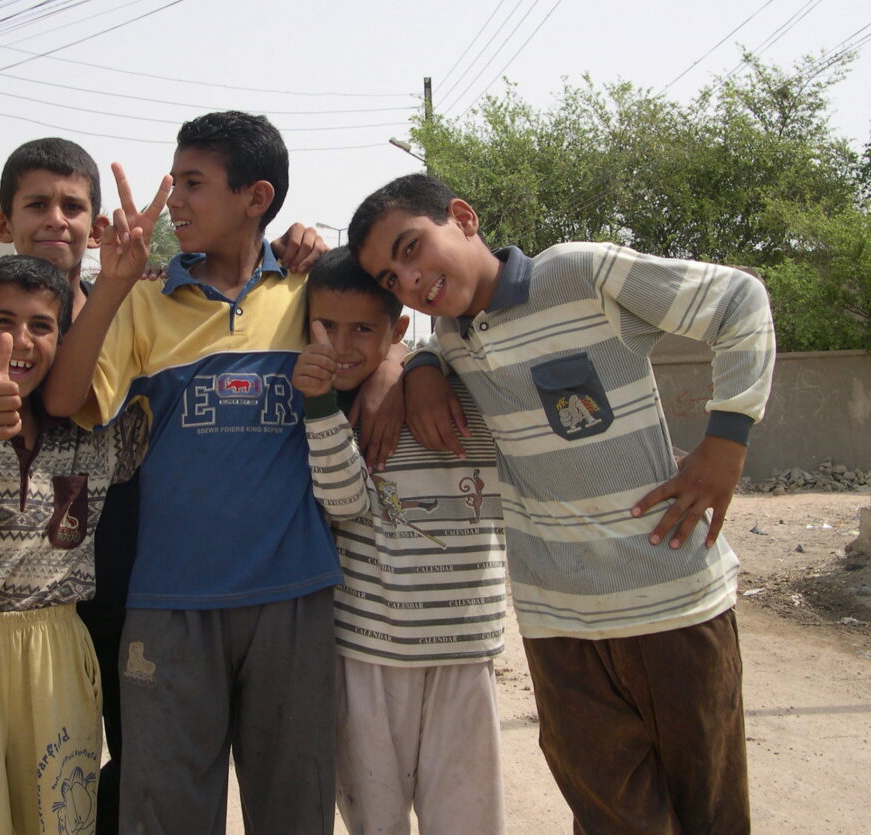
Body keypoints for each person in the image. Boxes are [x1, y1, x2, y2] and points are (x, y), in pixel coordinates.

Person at [0, 138, 328, 833]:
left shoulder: (139, 303)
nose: (56, 220)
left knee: (115, 776)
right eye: (37, 204)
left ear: (97, 225)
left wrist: (296, 242)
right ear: (2, 223)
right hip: (17, 618)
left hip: (136, 594)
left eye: (72, 205)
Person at [347, 172, 777, 834]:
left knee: (710, 814)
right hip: (559, 629)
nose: (407, 279)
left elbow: (739, 299)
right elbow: (409, 342)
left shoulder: (580, 273)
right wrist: (419, 367)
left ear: (462, 217)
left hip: (674, 603)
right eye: (388, 278)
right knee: (611, 818)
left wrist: (727, 439)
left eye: (410, 248)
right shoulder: (455, 341)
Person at [43, 111, 399, 835]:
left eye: (192, 183)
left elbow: (378, 332)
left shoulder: (307, 294)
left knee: (294, 811)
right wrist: (110, 285)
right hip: (170, 604)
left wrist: (397, 370)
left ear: (255, 196)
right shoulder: (145, 303)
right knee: (165, 814)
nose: (173, 199)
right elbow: (63, 398)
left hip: (294, 600)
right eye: (173, 182)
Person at [0, 254, 148, 834]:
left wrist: (138, 288)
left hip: (58, 649)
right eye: (3, 322)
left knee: (61, 817)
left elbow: (157, 390)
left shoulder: (94, 436)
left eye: (41, 326)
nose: (21, 340)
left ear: (64, 340)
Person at [291, 247, 508, 835]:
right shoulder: (332, 410)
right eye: (326, 327)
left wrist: (415, 364)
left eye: (364, 329)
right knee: (374, 817)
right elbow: (342, 503)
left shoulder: (465, 389)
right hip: (368, 653)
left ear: (397, 329)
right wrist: (319, 407)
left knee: (467, 818)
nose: (342, 344)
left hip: (465, 649)